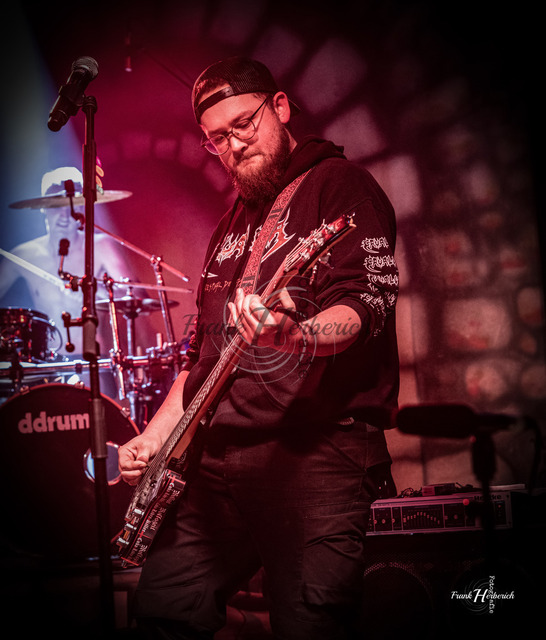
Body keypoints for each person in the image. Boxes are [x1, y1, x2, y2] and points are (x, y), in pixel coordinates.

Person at [119, 56, 400, 639]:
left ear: (280, 107)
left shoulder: (340, 187)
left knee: (312, 626)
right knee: (163, 612)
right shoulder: (231, 227)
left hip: (315, 454)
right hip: (218, 462)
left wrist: (295, 335)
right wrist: (153, 435)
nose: (234, 144)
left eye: (244, 123)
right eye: (218, 138)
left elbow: (363, 307)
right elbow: (202, 358)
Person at [0, 166, 130, 358]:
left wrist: (96, 293)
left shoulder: (101, 246)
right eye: (56, 207)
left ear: (83, 208)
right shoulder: (23, 255)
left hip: (93, 360)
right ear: (43, 208)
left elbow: (134, 296)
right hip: (45, 363)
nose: (64, 216)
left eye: (73, 206)